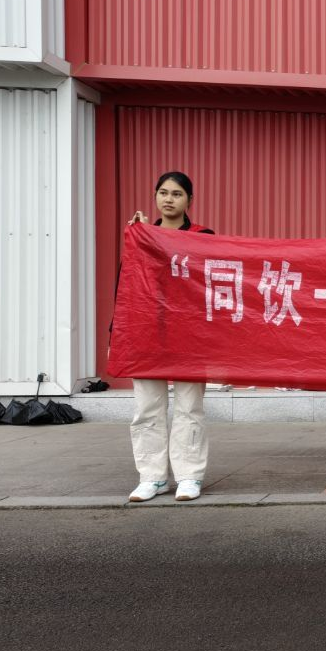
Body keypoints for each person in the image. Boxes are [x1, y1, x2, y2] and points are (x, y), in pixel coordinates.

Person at [125, 172, 214, 503]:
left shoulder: (203, 236)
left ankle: (189, 475)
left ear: (189, 200)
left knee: (189, 407)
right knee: (147, 407)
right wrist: (117, 333)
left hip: (190, 335)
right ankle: (152, 477)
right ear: (155, 197)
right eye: (163, 192)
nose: (169, 199)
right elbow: (127, 286)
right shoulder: (141, 236)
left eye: (177, 194)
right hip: (146, 333)